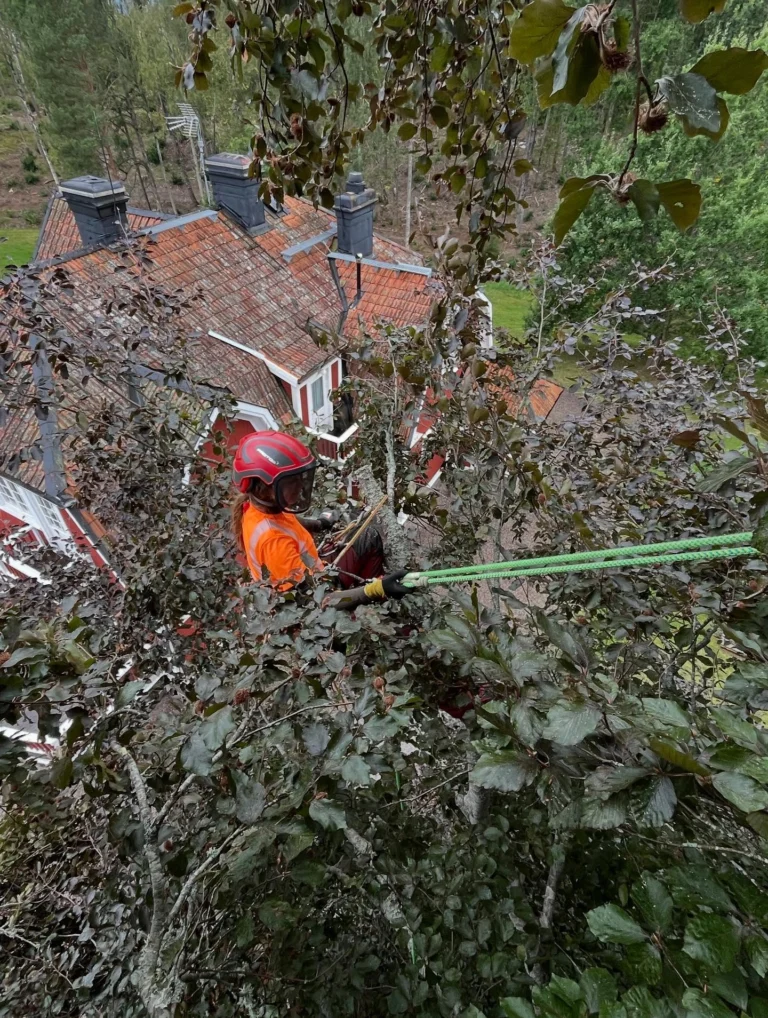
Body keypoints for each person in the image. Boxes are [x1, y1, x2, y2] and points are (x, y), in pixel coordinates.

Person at [231, 431, 411, 609]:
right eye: (291, 482)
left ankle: (362, 591)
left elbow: (289, 522)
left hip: (315, 574)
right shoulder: (273, 542)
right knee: (369, 542)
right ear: (264, 487)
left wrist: (319, 523)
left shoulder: (261, 506)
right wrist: (375, 589)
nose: (300, 486)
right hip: (314, 599)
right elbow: (321, 601)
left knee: (366, 536)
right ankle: (371, 606)